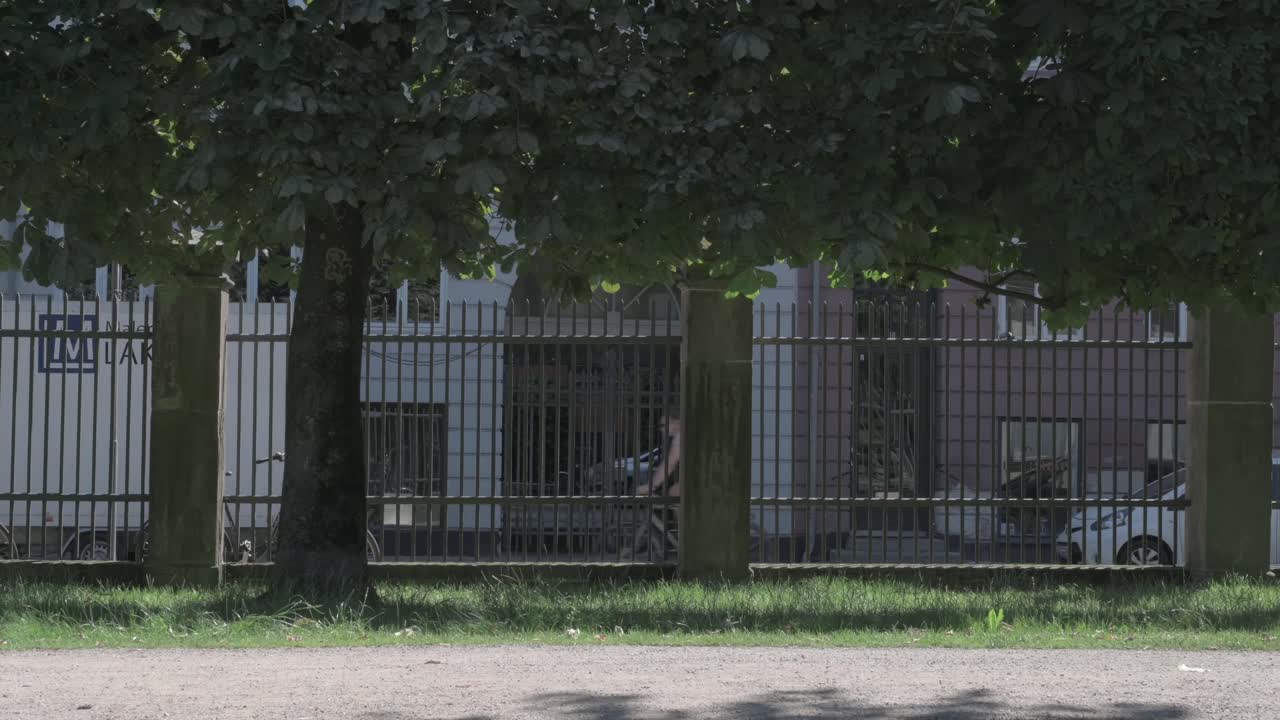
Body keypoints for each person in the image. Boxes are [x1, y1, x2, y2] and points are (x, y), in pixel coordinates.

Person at [621, 416, 680, 560]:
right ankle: (682, 537)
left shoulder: (681, 435)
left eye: (663, 425)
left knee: (674, 492)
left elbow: (670, 464)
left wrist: (650, 486)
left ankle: (684, 540)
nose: (661, 430)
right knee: (673, 492)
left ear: (676, 421)